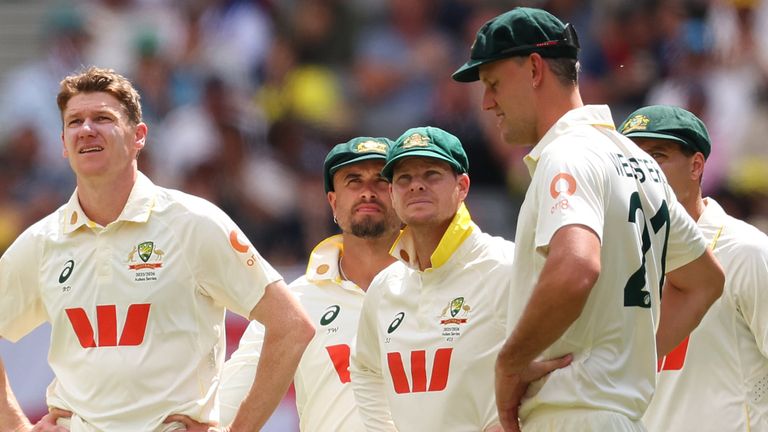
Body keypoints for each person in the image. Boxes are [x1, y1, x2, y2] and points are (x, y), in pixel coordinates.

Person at [452, 8, 725, 431]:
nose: (487, 102)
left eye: (493, 84)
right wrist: (624, 365)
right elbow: (705, 280)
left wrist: (509, 364)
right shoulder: (639, 161)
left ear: (535, 69)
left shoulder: (567, 153)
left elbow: (576, 267)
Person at [0, 67, 314, 432]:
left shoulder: (192, 222)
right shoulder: (43, 240)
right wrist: (17, 427)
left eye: (103, 118)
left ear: (139, 136)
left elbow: (292, 326)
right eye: (75, 121)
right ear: (63, 143)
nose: (86, 129)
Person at [350, 126, 570, 432]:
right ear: (392, 194)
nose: (416, 186)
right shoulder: (385, 287)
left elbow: (561, 360)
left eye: (431, 175)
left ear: (462, 186)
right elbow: (364, 368)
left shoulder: (504, 266)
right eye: (404, 179)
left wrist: (511, 422)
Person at [218, 136, 401, 430]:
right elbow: (226, 400)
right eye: (353, 181)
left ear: (400, 195)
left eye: (381, 180)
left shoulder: (435, 287)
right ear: (333, 202)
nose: (367, 192)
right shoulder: (296, 301)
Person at [619, 105, 768, 431]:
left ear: (696, 166)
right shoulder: (620, 261)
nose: (641, 170)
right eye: (631, 159)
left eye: (657, 157)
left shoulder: (745, 252)